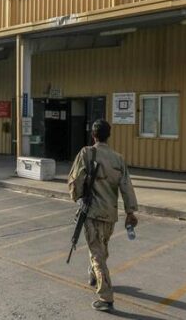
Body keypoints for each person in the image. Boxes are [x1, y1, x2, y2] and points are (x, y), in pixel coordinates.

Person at [68, 119, 138, 312]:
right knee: (102, 248)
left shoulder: (86, 153)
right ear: (109, 135)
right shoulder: (118, 158)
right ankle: (94, 275)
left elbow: (75, 180)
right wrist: (130, 212)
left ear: (93, 135)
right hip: (110, 214)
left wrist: (77, 197)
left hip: (92, 213)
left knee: (97, 254)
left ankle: (105, 297)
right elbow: (126, 187)